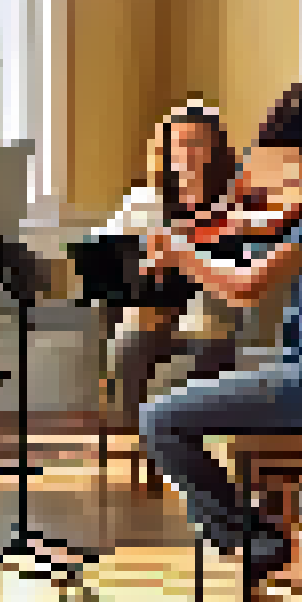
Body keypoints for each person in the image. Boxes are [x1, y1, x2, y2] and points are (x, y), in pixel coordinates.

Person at [137, 76, 302, 590]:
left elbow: (246, 286)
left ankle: (255, 539)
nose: (286, 176)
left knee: (159, 419)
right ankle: (261, 535)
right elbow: (269, 219)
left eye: (291, 163)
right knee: (182, 411)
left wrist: (179, 253)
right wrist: (207, 224)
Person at [97, 102, 245, 419]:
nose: (185, 154)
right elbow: (106, 265)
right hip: (156, 310)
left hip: (213, 310)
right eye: (177, 144)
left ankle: (192, 428)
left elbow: (238, 266)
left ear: (213, 149)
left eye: (195, 144)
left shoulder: (235, 201)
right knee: (133, 324)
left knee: (207, 314)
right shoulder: (143, 202)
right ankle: (133, 434)